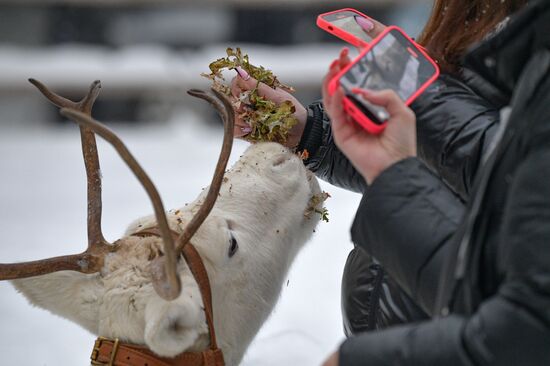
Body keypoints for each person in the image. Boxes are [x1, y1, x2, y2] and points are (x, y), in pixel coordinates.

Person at [231, 0, 527, 336]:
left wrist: (419, 89)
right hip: (396, 335)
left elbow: (511, 171)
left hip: (460, 340)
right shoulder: (478, 17)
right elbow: (432, 165)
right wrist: (310, 131)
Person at [320, 0, 550, 364]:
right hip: (413, 321)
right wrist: (313, 136)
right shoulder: (513, 42)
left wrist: (414, 86)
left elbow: (523, 332)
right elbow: (484, 284)